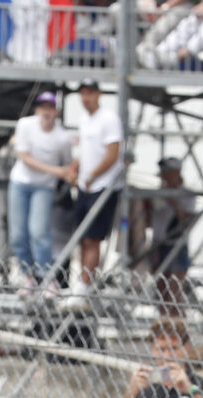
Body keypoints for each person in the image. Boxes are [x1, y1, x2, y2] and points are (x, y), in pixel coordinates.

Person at [6, 91, 77, 288]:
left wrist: (70, 174)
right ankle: (27, 275)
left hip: (44, 187)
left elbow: (68, 164)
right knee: (18, 235)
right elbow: (25, 157)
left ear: (56, 111)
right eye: (43, 107)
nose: (46, 112)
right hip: (20, 183)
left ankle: (46, 276)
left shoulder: (62, 137)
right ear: (37, 110)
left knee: (39, 232)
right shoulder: (25, 125)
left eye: (50, 108)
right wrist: (55, 171)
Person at [70, 81, 124, 286]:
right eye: (82, 93)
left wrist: (92, 176)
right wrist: (75, 168)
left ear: (98, 94)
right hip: (85, 186)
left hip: (103, 186)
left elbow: (113, 154)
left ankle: (84, 285)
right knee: (83, 238)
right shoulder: (84, 119)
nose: (86, 98)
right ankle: (82, 281)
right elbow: (86, 152)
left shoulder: (109, 119)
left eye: (90, 93)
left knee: (93, 238)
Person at [133, 157, 196, 304]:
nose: (164, 176)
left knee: (174, 292)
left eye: (167, 172)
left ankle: (175, 316)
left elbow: (187, 221)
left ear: (176, 172)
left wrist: (174, 203)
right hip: (157, 244)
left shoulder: (187, 195)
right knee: (161, 290)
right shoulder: (158, 194)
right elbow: (148, 221)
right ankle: (164, 315)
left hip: (176, 244)